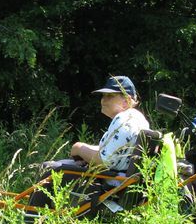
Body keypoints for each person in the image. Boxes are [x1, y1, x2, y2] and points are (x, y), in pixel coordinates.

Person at [27, 75, 150, 214]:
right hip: (119, 178)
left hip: (112, 183)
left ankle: (31, 222)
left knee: (49, 168)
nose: (103, 100)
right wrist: (83, 149)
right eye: (103, 96)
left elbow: (105, 161)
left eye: (110, 96)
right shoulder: (135, 119)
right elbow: (112, 151)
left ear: (126, 100)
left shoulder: (125, 120)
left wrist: (79, 148)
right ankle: (41, 219)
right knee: (59, 164)